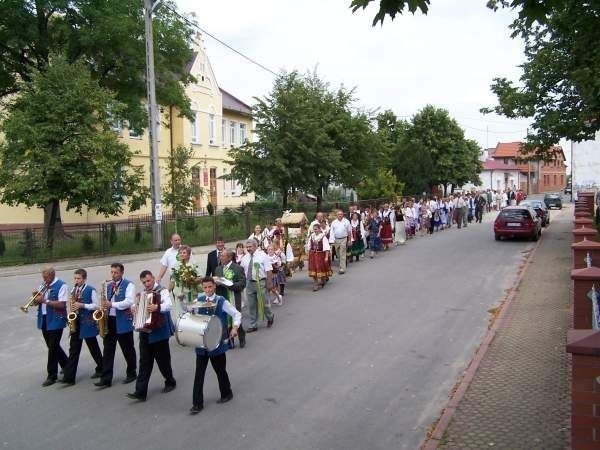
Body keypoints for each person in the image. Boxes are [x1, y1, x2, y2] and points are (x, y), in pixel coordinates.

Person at [190, 277, 242, 415]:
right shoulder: (199, 299)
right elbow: (191, 314)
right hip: (201, 343)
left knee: (220, 371)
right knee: (199, 374)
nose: (207, 290)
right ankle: (197, 403)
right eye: (205, 287)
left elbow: (237, 314)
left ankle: (226, 393)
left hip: (217, 342)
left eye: (210, 287)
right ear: (202, 288)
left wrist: (235, 328)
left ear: (214, 287)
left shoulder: (221, 301)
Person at [126, 270, 176, 401]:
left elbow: (169, 305)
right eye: (144, 282)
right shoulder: (142, 294)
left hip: (159, 332)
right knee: (144, 362)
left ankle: (170, 381)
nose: (146, 284)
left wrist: (157, 307)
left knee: (163, 361)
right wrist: (134, 308)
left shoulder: (162, 291)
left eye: (148, 281)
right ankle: (140, 392)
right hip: (145, 332)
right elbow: (136, 306)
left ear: (153, 279)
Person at [94, 263, 137, 388]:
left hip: (123, 320)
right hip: (110, 320)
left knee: (127, 348)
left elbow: (129, 301)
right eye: (112, 272)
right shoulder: (109, 286)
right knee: (108, 349)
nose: (113, 275)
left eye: (116, 272)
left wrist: (112, 305)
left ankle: (132, 372)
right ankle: (106, 378)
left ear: (122, 273)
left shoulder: (129, 285)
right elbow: (105, 302)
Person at [60, 268, 103, 385]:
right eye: (75, 278)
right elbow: (72, 305)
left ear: (84, 279)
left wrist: (82, 305)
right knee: (74, 349)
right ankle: (69, 377)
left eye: (78, 278)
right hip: (77, 322)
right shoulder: (74, 290)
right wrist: (72, 310)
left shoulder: (90, 290)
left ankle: (102, 367)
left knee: (93, 347)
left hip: (87, 322)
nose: (76, 280)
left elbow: (96, 306)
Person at [34, 266, 69, 387]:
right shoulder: (43, 285)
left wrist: (44, 301)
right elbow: (37, 302)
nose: (44, 280)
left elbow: (62, 304)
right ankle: (67, 365)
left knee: (53, 347)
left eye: (46, 277)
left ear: (52, 275)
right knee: (51, 345)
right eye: (43, 277)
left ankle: (51, 375)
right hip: (44, 318)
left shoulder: (62, 285)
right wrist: (35, 299)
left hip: (56, 319)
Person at [213, 249, 247, 348]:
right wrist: (216, 283)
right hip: (222, 297)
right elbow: (215, 282)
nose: (220, 258)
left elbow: (242, 284)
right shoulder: (218, 269)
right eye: (220, 256)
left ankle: (241, 336)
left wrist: (229, 285)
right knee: (225, 318)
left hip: (233, 297)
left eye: (223, 256)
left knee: (235, 316)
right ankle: (229, 340)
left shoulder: (237, 268)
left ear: (229, 257)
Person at [239, 239, 274, 332]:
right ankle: (253, 324)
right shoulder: (245, 258)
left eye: (250, 247)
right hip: (249, 283)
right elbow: (242, 271)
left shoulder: (262, 256)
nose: (248, 249)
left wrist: (269, 283)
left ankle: (270, 316)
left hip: (261, 282)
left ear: (255, 246)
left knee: (264, 302)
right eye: (247, 247)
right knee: (251, 304)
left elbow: (269, 270)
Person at [306, 222, 332, 291]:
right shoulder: (311, 236)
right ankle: (316, 284)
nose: (315, 230)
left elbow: (326, 248)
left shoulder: (323, 237)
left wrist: (326, 257)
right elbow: (309, 247)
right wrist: (308, 255)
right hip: (313, 255)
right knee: (313, 269)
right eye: (314, 229)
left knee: (320, 268)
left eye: (316, 229)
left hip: (320, 255)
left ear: (319, 229)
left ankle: (323, 279)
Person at [329, 209, 351, 274]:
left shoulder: (346, 221)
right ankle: (342, 263)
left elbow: (349, 231)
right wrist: (331, 241)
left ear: (343, 215)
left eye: (341, 214)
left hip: (344, 239)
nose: (340, 215)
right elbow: (332, 232)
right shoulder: (334, 222)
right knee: (338, 254)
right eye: (338, 214)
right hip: (336, 239)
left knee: (342, 253)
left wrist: (349, 240)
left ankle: (342, 268)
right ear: (337, 215)